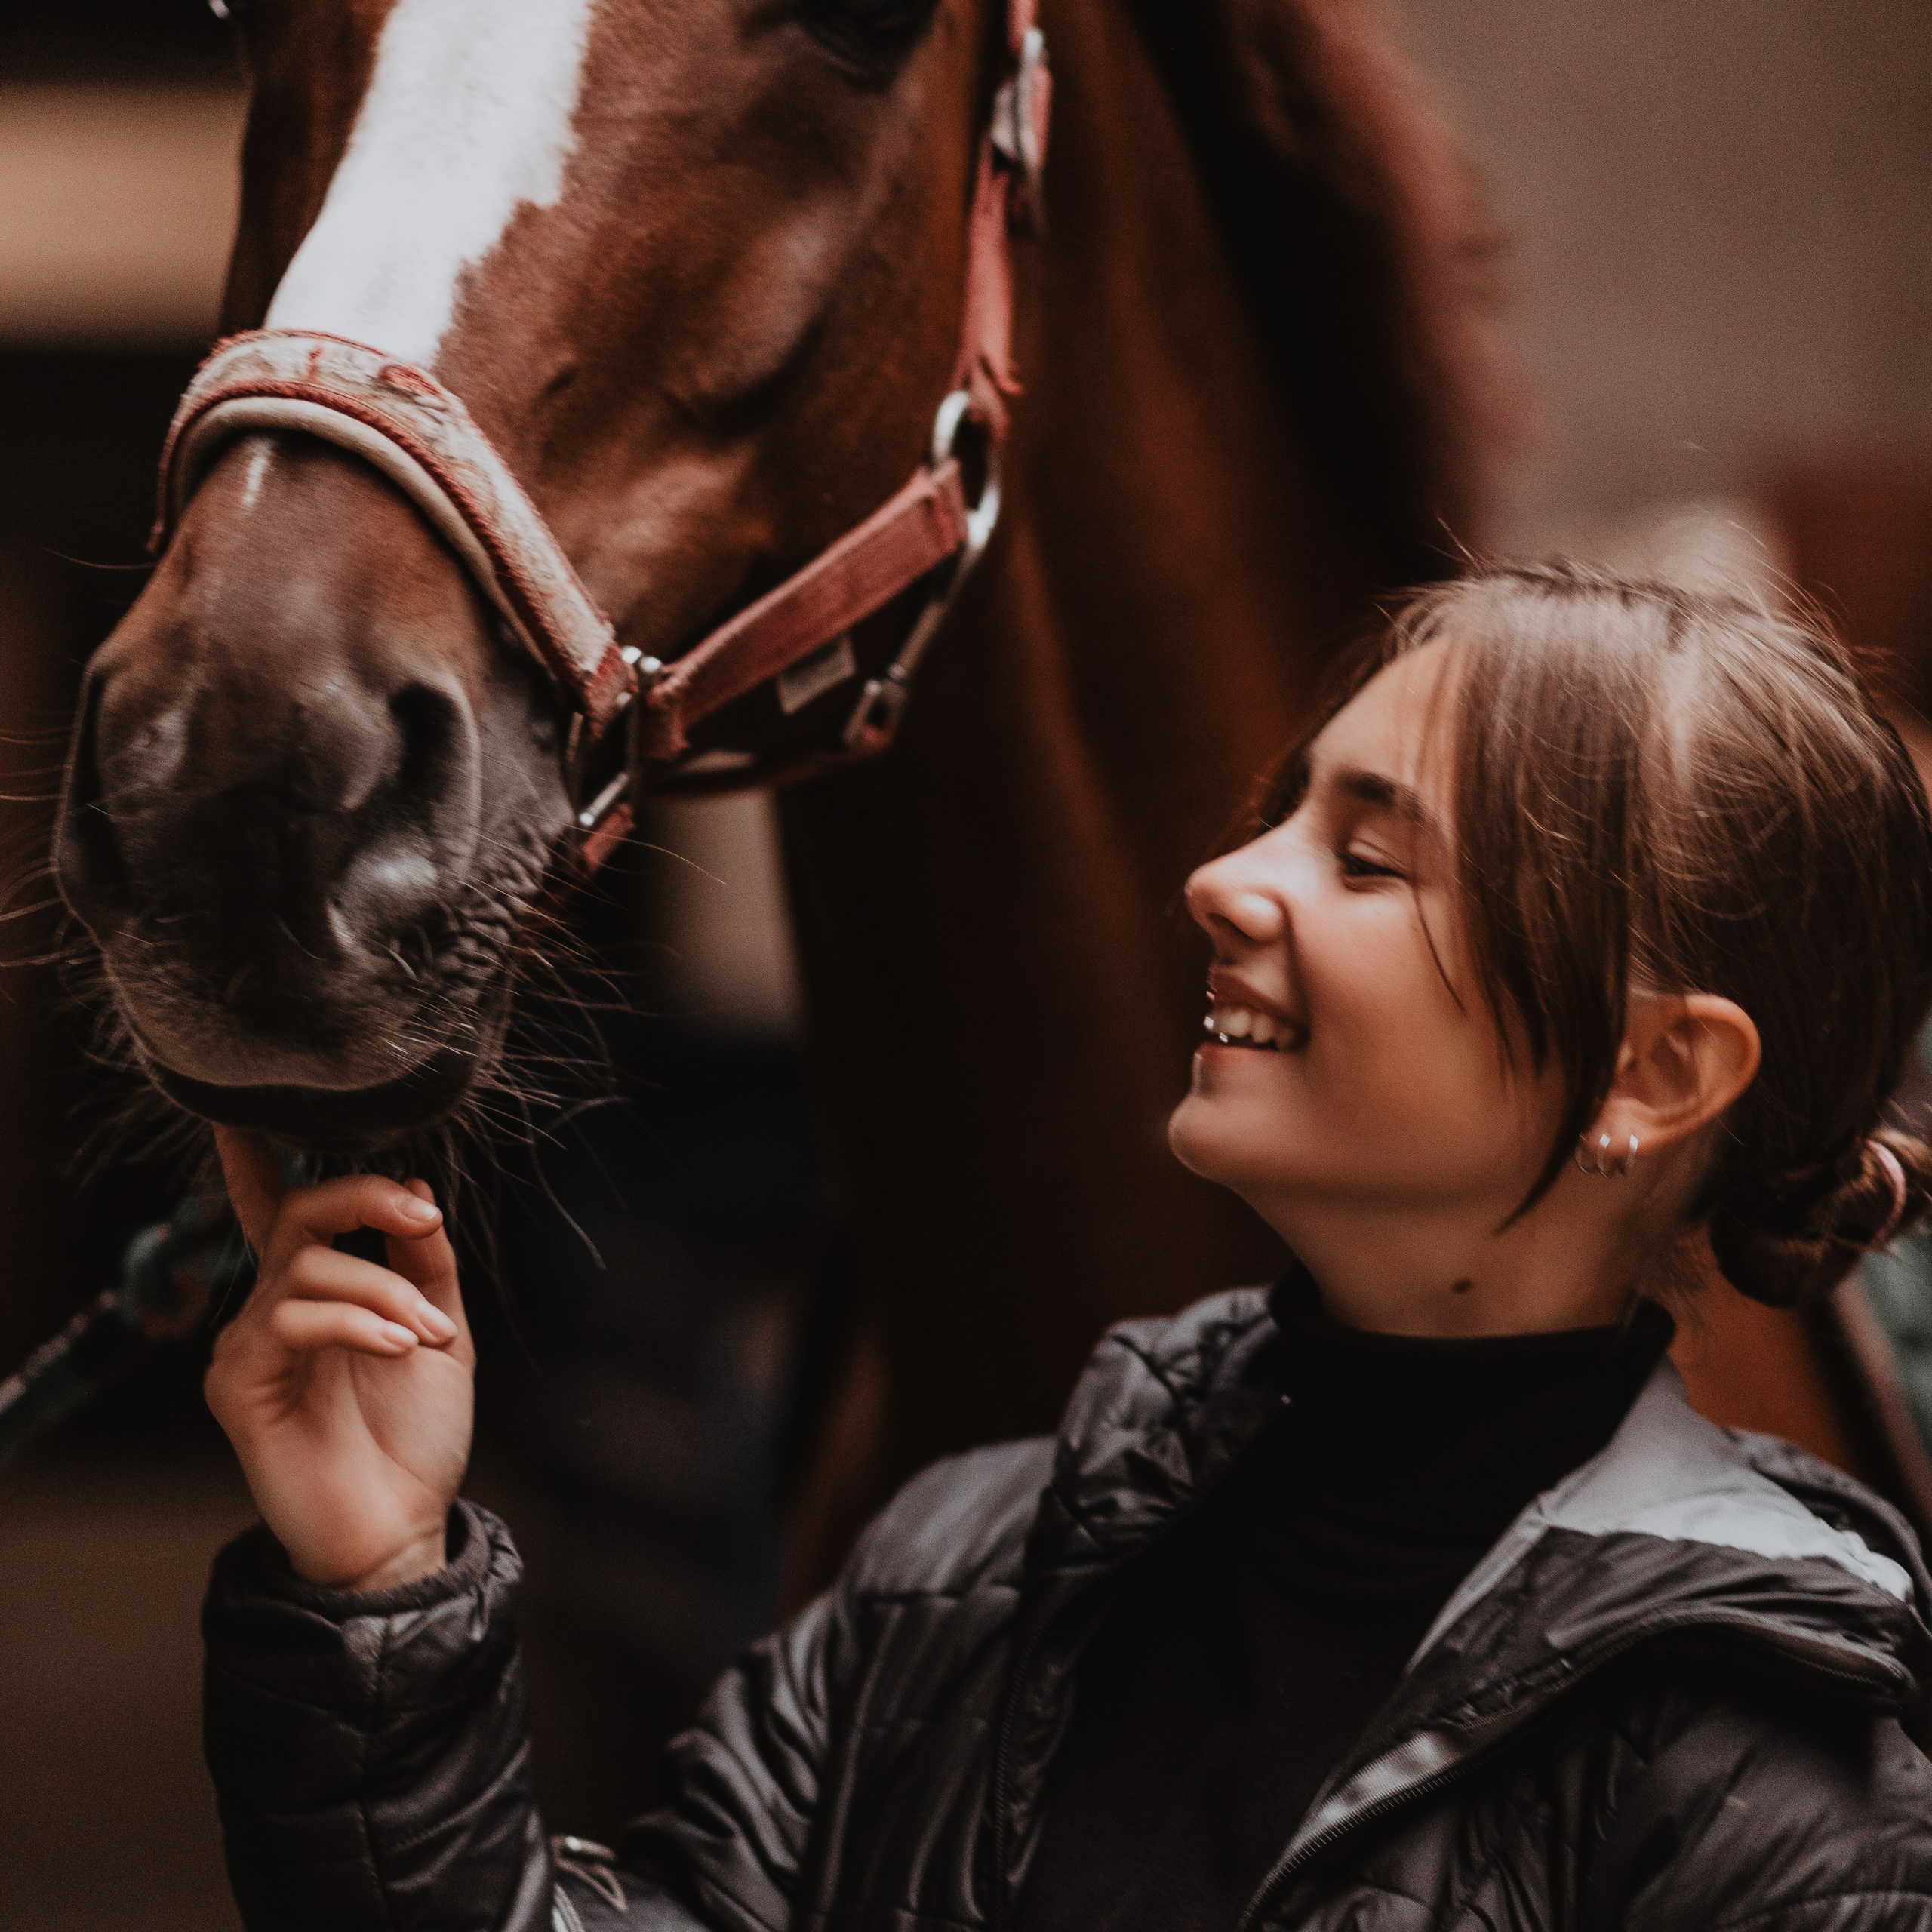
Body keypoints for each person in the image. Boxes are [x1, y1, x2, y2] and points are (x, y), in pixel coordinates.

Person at [201, 563, 1932, 1932]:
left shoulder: (1766, 1758)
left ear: (1655, 1069)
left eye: (1367, 854)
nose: (1221, 879)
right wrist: (381, 1593)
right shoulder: (970, 1556)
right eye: (1278, 810)